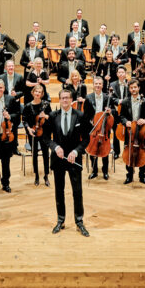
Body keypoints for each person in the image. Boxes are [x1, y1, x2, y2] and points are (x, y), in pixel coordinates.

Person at [46, 88, 90, 236]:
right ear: (59, 100)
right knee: (59, 191)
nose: (65, 100)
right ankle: (61, 220)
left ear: (72, 100)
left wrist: (76, 151)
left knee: (77, 191)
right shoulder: (53, 116)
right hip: (58, 159)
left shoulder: (80, 116)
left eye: (67, 98)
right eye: (62, 98)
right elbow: (46, 138)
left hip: (73, 158)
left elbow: (86, 139)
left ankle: (79, 221)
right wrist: (55, 147)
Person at [119, 80, 145, 185]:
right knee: (128, 152)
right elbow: (121, 116)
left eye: (135, 87)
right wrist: (126, 122)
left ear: (138, 88)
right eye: (131, 88)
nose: (133, 89)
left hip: (142, 132)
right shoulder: (125, 102)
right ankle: (129, 175)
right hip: (130, 132)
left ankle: (142, 175)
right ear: (129, 89)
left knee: (143, 152)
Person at [22, 84, 52, 186]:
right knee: (34, 154)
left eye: (40, 92)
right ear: (33, 92)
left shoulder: (46, 105)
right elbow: (24, 120)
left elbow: (51, 117)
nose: (37, 93)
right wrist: (29, 129)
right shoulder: (27, 106)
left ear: (42, 94)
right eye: (36, 91)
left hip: (44, 133)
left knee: (45, 154)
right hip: (33, 133)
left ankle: (46, 176)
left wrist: (46, 116)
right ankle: (36, 176)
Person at [84, 76, 113, 181]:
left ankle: (105, 171)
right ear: (93, 85)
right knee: (93, 148)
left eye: (100, 84)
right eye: (96, 83)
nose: (98, 85)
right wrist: (91, 122)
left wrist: (110, 112)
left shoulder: (107, 97)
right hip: (94, 128)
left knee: (105, 149)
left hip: (104, 127)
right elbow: (85, 115)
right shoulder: (88, 98)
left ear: (102, 85)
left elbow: (113, 112)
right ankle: (94, 170)